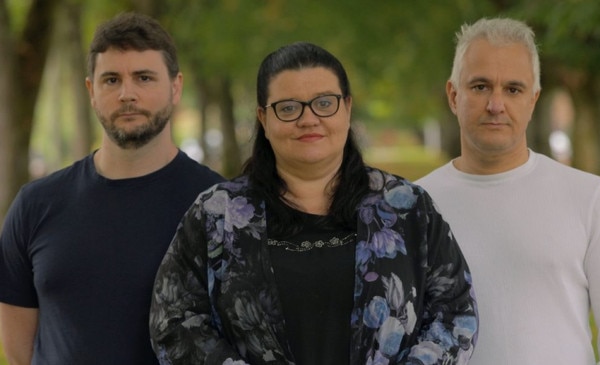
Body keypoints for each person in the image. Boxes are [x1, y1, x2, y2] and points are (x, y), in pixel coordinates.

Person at [149, 42, 478, 365]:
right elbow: (173, 321)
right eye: (289, 107)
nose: (308, 119)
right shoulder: (217, 215)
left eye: (324, 103)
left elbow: (455, 312)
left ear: (347, 108)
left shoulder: (406, 208)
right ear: (263, 118)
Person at [416, 17, 600, 364]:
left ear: (534, 99)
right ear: (453, 95)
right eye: (480, 87)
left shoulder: (589, 199)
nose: (496, 104)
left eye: (513, 89)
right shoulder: (414, 207)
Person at [0, 12, 225, 365]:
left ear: (176, 87)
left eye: (144, 77)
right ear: (91, 91)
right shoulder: (35, 205)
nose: (127, 94)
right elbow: (19, 351)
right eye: (111, 80)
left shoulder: (222, 207)